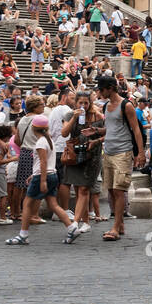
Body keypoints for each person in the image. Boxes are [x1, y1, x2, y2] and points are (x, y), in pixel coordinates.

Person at [5, 115, 81, 246]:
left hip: (43, 176)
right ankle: (71, 228)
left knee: (27, 204)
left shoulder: (40, 143)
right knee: (53, 204)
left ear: (33, 128)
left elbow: (43, 162)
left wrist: (42, 180)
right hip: (52, 174)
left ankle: (23, 235)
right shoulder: (49, 140)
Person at [96, 75, 145, 242]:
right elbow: (110, 129)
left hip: (123, 152)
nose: (99, 92)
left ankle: (116, 227)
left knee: (119, 190)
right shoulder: (106, 106)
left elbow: (136, 130)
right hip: (108, 151)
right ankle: (120, 223)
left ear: (110, 88)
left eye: (101, 89)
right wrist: (96, 132)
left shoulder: (127, 105)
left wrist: (141, 153)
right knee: (110, 189)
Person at [62, 92, 103, 236]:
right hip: (75, 155)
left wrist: (96, 139)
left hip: (92, 155)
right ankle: (86, 222)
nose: (83, 106)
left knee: (84, 190)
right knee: (78, 189)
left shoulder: (97, 116)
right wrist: (74, 117)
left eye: (86, 103)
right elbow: (64, 133)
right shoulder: (69, 115)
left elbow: (105, 133)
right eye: (80, 103)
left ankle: (75, 222)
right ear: (75, 103)